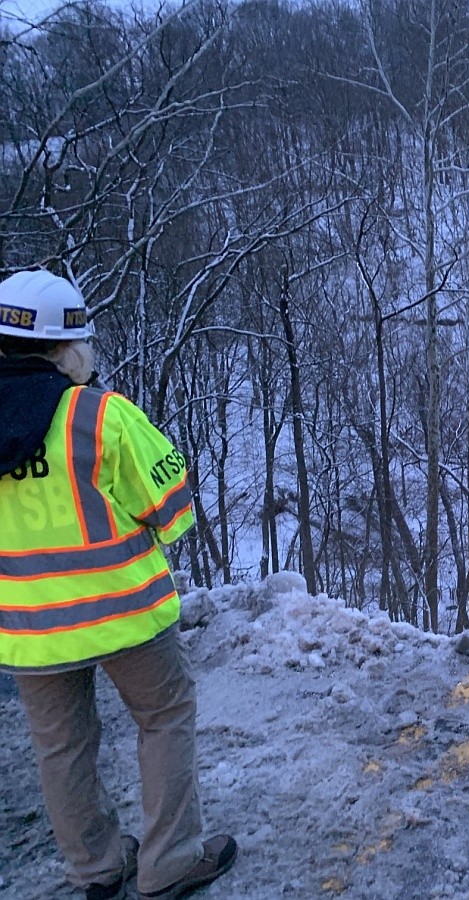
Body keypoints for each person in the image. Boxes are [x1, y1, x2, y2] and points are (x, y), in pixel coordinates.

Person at [0, 271, 236, 900]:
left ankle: (96, 870)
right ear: (66, 346)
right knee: (164, 718)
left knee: (61, 749)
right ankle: (171, 862)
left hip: (27, 631)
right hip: (125, 613)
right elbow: (175, 507)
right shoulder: (99, 415)